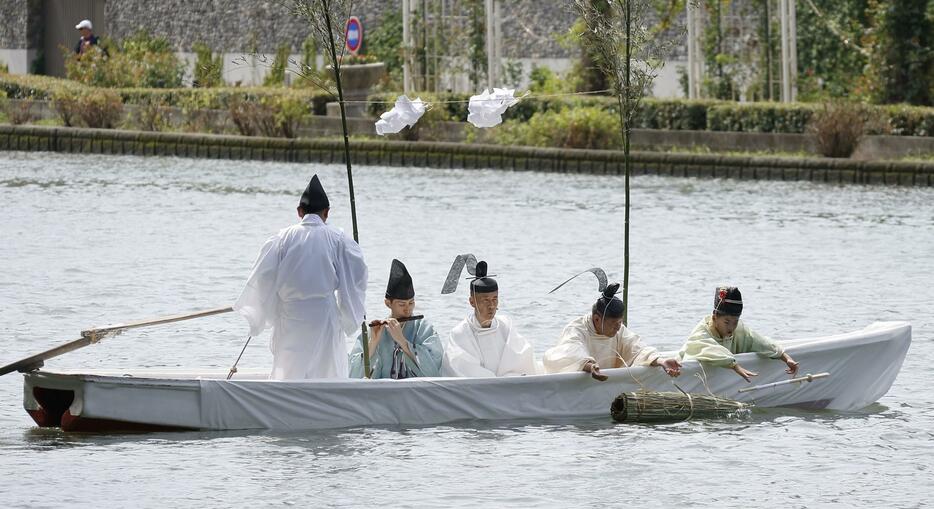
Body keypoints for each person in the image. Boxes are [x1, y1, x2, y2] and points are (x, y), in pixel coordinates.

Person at [234, 175, 368, 380]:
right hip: (325, 317)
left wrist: (267, 310)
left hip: (291, 316)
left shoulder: (281, 239)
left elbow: (262, 279)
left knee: (289, 373)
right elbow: (357, 277)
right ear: (327, 212)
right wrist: (347, 315)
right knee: (327, 372)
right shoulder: (338, 239)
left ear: (299, 212)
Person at [543, 283, 681, 381]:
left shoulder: (619, 330)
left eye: (620, 323)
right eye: (613, 324)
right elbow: (571, 352)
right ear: (597, 319)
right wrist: (589, 366)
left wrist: (661, 361)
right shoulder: (576, 329)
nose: (618, 328)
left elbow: (637, 348)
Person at [678, 286, 799, 382]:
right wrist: (734, 366)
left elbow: (759, 341)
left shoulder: (739, 330)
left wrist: (786, 358)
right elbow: (710, 349)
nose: (731, 327)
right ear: (714, 317)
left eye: (735, 322)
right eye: (726, 322)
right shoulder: (700, 333)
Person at [349, 259, 443, 379]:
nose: (408, 309)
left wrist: (403, 342)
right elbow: (352, 374)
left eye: (411, 303)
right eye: (402, 304)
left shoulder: (424, 329)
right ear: (388, 303)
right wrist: (373, 343)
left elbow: (434, 370)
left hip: (416, 393)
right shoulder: (375, 330)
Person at [441, 260, 537, 377]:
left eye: (494, 299)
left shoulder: (506, 326)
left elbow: (522, 360)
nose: (491, 306)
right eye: (485, 300)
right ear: (472, 302)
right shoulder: (460, 333)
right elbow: (463, 370)